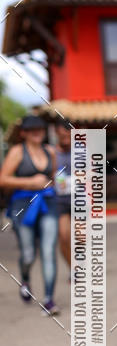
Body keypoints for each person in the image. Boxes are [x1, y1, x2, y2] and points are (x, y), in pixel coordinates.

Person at [0, 114, 60, 314]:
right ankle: (25, 279)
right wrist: (29, 182)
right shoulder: (17, 152)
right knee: (28, 253)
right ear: (24, 133)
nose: (37, 133)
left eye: (41, 129)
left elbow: (52, 178)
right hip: (23, 204)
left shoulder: (50, 151)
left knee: (48, 249)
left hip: (48, 202)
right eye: (33, 129)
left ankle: (49, 299)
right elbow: (3, 180)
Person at [54, 120, 73, 276]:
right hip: (59, 201)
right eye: (62, 134)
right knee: (64, 237)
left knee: (81, 238)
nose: (65, 137)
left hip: (79, 199)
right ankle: (73, 269)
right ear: (56, 134)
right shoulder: (52, 153)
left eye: (68, 134)